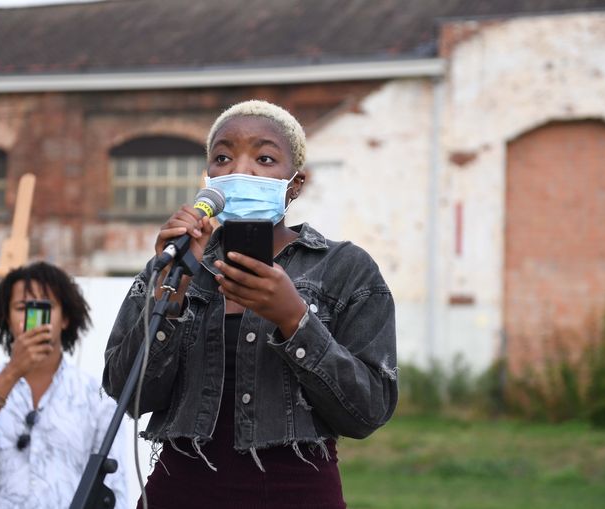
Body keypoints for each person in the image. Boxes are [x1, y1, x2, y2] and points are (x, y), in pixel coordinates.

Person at [103, 100, 398, 509]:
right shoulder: (175, 263)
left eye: (264, 157)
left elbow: (369, 410)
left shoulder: (346, 268)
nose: (240, 170)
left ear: (295, 184)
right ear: (208, 179)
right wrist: (169, 295)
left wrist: (294, 319)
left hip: (296, 493)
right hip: (180, 490)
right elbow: (126, 391)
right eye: (223, 157)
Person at [0, 261, 128, 509]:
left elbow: (115, 486)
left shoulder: (96, 395)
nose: (34, 317)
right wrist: (13, 372)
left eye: (45, 306)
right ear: (7, 317)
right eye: (22, 307)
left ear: (65, 318)